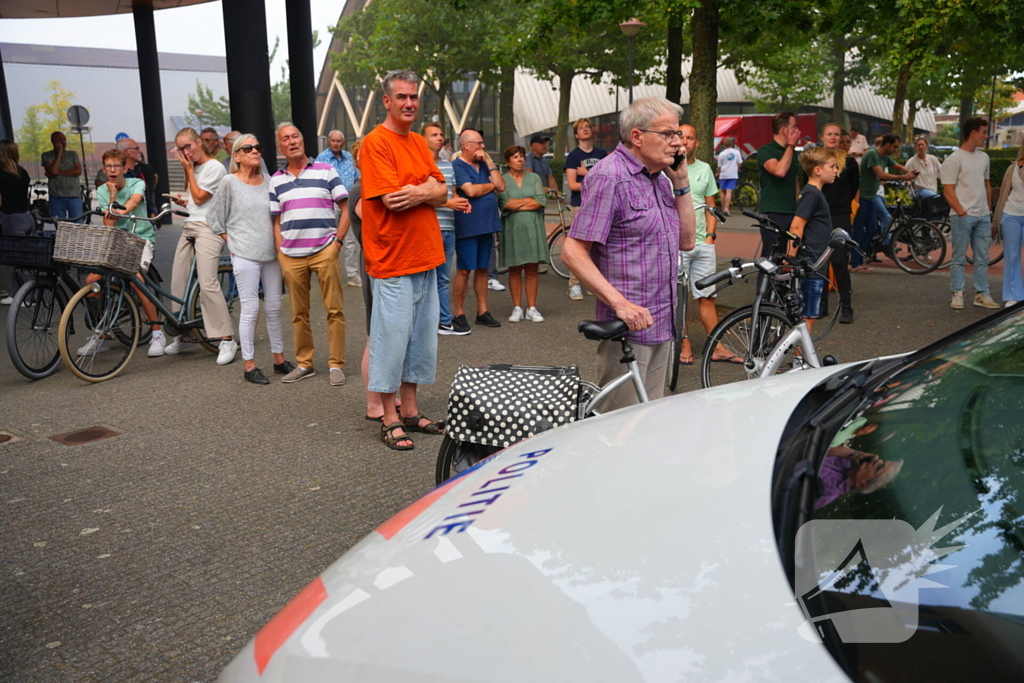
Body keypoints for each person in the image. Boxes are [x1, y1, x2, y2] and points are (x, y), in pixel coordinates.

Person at [562, 97, 697, 411]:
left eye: (678, 134)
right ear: (637, 137)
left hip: (663, 321)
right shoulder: (610, 176)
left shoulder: (661, 179)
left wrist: (681, 181)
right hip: (628, 329)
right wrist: (620, 304)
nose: (678, 143)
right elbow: (572, 251)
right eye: (668, 134)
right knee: (619, 428)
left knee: (649, 426)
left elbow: (687, 241)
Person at [360, 69, 449, 450]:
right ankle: (389, 417)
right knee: (390, 342)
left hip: (427, 257)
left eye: (413, 97)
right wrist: (425, 190)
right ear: (387, 101)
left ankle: (411, 411)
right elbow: (391, 200)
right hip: (393, 260)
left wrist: (424, 190)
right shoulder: (374, 143)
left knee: (420, 342)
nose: (409, 103)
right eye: (402, 97)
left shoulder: (417, 142)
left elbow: (445, 192)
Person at [206, 134, 293, 384]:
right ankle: (249, 365)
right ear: (236, 156)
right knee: (250, 308)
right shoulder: (228, 183)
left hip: (271, 254)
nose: (255, 150)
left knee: (275, 307)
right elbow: (213, 218)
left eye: (258, 146)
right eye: (248, 148)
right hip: (244, 254)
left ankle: (279, 359)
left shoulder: (270, 181)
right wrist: (231, 243)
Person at [270, 123, 350, 384]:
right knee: (298, 313)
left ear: (303, 141)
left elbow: (347, 209)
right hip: (291, 256)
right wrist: (281, 251)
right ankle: (305, 364)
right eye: (286, 139)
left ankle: (336, 364)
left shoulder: (326, 171)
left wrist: (336, 243)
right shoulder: (276, 180)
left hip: (324, 251)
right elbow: (276, 220)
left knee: (334, 309)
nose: (292, 141)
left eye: (296, 136)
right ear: (279, 147)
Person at [165, 127, 237, 364]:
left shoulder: (215, 166)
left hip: (209, 228)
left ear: (199, 142)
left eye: (189, 146)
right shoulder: (194, 168)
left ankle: (227, 338)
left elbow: (200, 198)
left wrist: (187, 171)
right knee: (178, 280)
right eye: (181, 148)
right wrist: (183, 200)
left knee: (207, 283)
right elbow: (194, 202)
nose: (186, 152)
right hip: (190, 225)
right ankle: (183, 334)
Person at [87, 148, 164, 357]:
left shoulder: (136, 183)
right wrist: (112, 195)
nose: (112, 170)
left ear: (124, 168)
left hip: (140, 238)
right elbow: (109, 226)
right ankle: (101, 333)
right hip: (117, 240)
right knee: (91, 280)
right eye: (108, 166)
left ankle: (157, 332)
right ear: (104, 169)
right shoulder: (103, 190)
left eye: (116, 166)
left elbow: (132, 204)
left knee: (136, 279)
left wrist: (116, 209)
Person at [676, 124, 734, 365]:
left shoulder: (705, 169)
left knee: (707, 296)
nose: (685, 141)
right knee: (679, 298)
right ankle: (684, 343)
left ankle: (717, 346)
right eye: (681, 136)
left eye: (690, 137)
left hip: (703, 244)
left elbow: (712, 205)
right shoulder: (663, 168)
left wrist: (711, 235)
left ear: (697, 143)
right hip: (677, 245)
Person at [452, 129, 505, 331]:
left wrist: (490, 163)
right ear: (466, 145)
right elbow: (471, 190)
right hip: (468, 225)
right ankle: (459, 312)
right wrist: (489, 186)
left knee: (483, 269)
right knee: (465, 269)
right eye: (479, 143)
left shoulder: (484, 164)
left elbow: (501, 185)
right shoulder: (457, 165)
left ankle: (482, 311)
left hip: (488, 223)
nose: (482, 147)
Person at [942, 117, 998, 310]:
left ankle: (981, 294)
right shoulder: (953, 159)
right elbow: (947, 190)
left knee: (982, 257)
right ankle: (957, 293)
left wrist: (988, 211)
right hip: (962, 216)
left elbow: (987, 185)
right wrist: (962, 212)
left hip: (982, 215)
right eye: (983, 132)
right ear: (973, 133)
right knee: (959, 257)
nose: (986, 136)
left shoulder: (984, 158)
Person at [422, 123, 472, 335]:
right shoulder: (420, 167)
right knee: (425, 279)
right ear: (423, 140)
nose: (439, 138)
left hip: (449, 227)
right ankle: (427, 322)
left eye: (441, 134)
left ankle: (443, 320)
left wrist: (462, 202)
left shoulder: (448, 165)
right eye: (434, 135)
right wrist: (448, 204)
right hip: (429, 228)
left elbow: (452, 194)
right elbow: (421, 199)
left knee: (443, 277)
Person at [788, 146, 839, 335]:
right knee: (807, 317)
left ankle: (801, 360)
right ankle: (800, 361)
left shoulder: (813, 193)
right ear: (818, 170)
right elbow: (796, 227)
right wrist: (790, 259)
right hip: (812, 265)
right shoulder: (812, 194)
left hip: (815, 264)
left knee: (807, 317)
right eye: (832, 166)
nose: (836, 171)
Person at [850, 134, 914, 273]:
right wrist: (903, 177)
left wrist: (911, 173)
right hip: (862, 196)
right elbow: (881, 175)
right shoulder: (873, 154)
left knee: (872, 230)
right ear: (887, 144)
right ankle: (855, 263)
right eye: (894, 147)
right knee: (859, 230)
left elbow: (898, 166)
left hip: (871, 196)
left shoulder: (885, 157)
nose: (895, 150)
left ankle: (862, 258)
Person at [498, 145, 548, 323]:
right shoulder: (502, 180)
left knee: (532, 270)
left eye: (521, 156)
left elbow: (541, 200)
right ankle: (517, 307)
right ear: (508, 162)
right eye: (515, 157)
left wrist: (517, 203)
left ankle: (532, 308)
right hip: (512, 229)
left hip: (533, 228)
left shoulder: (534, 177)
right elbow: (505, 204)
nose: (519, 159)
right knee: (514, 269)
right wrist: (528, 201)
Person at [564, 119, 608, 301]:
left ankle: (593, 283)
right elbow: (573, 185)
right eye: (580, 128)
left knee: (598, 246)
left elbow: (608, 178)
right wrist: (593, 178)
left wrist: (587, 174)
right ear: (576, 135)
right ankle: (574, 284)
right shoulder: (573, 157)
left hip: (601, 204)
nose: (585, 130)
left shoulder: (602, 154)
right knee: (578, 246)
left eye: (587, 127)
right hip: (581, 204)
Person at [820, 123, 858, 324]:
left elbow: (854, 188)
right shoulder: (814, 160)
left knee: (840, 262)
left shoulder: (849, 162)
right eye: (829, 134)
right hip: (819, 217)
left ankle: (847, 307)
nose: (833, 137)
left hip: (840, 216)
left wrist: (842, 204)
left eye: (836, 134)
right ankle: (822, 305)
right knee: (821, 263)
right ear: (822, 137)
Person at [315, 130, 362, 287]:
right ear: (328, 141)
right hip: (329, 202)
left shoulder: (349, 157)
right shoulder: (321, 159)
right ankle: (328, 274)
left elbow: (357, 176)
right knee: (328, 239)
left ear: (343, 142)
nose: (335, 143)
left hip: (347, 202)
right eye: (333, 140)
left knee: (349, 240)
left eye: (338, 141)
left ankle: (352, 275)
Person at [756, 112, 802, 258]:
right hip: (773, 211)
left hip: (792, 212)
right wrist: (791, 145)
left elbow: (795, 180)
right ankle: (765, 282)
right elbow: (779, 171)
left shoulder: (791, 153)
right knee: (771, 256)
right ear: (784, 130)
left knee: (789, 256)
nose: (798, 131)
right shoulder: (766, 151)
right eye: (794, 127)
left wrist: (799, 203)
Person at [0, 139, 32, 305]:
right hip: (26, 217)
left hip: (11, 218)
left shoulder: (2, 173)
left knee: (18, 259)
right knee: (22, 257)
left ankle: (28, 296)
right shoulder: (22, 172)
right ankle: (18, 295)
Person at [992, 145, 1024, 307]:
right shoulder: (1012, 168)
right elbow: (1004, 193)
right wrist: (995, 222)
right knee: (1012, 256)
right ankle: (1014, 294)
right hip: (1011, 215)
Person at [41, 131, 83, 220]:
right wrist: (59, 154)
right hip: (56, 196)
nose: (63, 142)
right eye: (60, 139)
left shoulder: (72, 154)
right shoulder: (47, 155)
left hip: (74, 195)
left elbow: (78, 171)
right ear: (52, 141)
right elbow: (53, 170)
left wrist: (58, 173)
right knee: (59, 223)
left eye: (64, 139)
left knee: (77, 222)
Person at [119, 138, 158, 218]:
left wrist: (152, 211)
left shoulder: (140, 170)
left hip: (145, 217)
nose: (139, 151)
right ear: (126, 152)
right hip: (128, 218)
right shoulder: (119, 174)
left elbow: (149, 192)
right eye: (136, 148)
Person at [715, 137, 742, 216]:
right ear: (732, 143)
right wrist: (738, 169)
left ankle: (723, 209)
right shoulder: (736, 152)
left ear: (724, 144)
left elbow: (719, 166)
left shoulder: (721, 154)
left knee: (723, 191)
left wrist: (718, 173)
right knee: (729, 191)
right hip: (733, 174)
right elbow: (740, 163)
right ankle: (727, 209)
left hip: (723, 174)